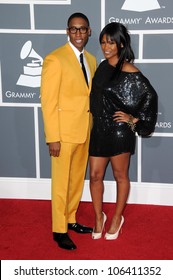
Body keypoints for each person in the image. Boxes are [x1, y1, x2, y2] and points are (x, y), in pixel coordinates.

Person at [89, 22, 158, 240]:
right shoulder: (101, 66)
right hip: (99, 129)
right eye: (102, 42)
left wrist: (132, 120)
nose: (106, 47)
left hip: (120, 132)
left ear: (121, 43)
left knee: (120, 176)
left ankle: (117, 218)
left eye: (111, 42)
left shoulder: (131, 72)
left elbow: (150, 98)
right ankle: (99, 217)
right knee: (94, 176)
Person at [41, 12, 97, 250]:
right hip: (63, 136)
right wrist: (53, 137)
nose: (78, 34)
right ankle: (59, 229)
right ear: (67, 31)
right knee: (61, 183)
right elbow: (49, 102)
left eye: (82, 29)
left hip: (84, 131)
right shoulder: (55, 59)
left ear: (89, 32)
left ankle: (71, 219)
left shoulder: (92, 60)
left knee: (76, 181)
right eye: (73, 29)